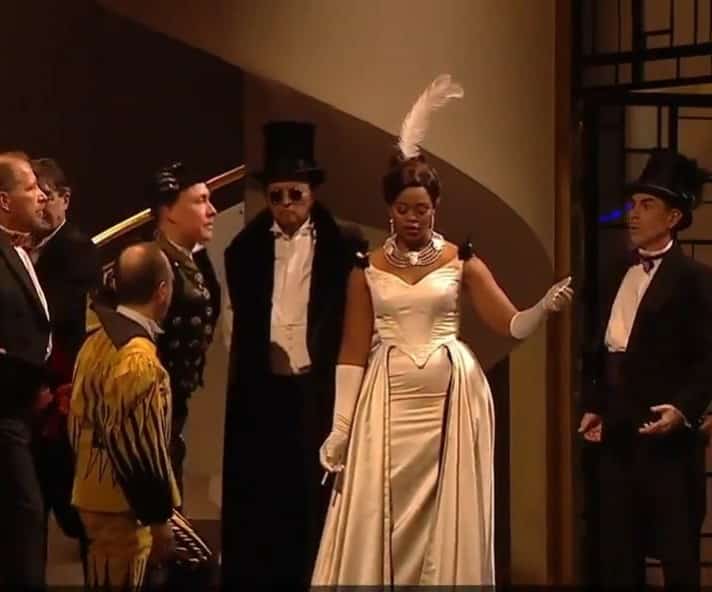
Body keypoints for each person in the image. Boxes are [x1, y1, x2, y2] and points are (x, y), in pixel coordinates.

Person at [311, 75, 573, 586]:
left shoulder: (461, 260)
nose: (414, 218)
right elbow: (352, 350)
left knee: (444, 514)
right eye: (403, 209)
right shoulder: (366, 268)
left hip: (450, 401)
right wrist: (340, 427)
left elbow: (509, 322)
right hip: (388, 403)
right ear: (389, 211)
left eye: (423, 210)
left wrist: (542, 308)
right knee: (383, 511)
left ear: (436, 209)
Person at [221, 121, 361, 589]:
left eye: (294, 194)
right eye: (276, 195)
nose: (285, 205)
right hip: (264, 392)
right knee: (265, 502)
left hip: (317, 391)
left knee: (315, 499)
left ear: (312, 193)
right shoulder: (245, 249)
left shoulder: (344, 245)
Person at [578, 149, 712, 589]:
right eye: (633, 204)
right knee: (618, 552)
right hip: (617, 433)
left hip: (666, 437)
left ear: (673, 217)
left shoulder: (695, 279)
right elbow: (599, 346)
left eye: (646, 205)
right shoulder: (616, 270)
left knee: (677, 552)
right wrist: (594, 403)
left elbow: (709, 357)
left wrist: (684, 409)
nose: (633, 214)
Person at [69, 242, 179, 590]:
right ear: (162, 291)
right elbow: (141, 449)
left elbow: (76, 424)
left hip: (91, 492)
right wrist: (158, 516)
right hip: (125, 506)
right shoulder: (138, 359)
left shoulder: (95, 341)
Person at [29, 157, 101, 562]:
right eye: (33, 196)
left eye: (46, 195)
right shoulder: (22, 249)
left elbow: (62, 322)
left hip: (61, 399)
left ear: (65, 199)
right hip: (34, 402)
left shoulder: (76, 249)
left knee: (75, 514)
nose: (39, 205)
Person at [148, 161, 221, 503]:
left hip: (175, 403)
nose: (212, 210)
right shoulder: (150, 264)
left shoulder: (188, 260)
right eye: (200, 201)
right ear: (169, 212)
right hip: (150, 404)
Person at [0, 150, 53, 589]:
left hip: (28, 413)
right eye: (31, 187)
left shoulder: (19, 248)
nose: (42, 195)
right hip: (4, 412)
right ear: (4, 200)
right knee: (26, 515)